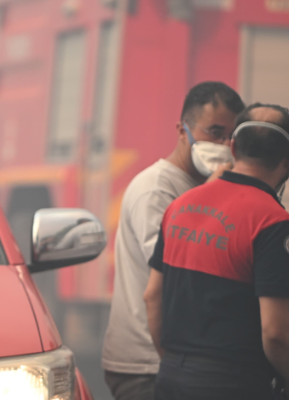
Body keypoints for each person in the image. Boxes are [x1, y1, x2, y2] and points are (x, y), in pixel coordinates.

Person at [144, 103, 289, 400]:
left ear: (233, 147)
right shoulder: (274, 222)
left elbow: (152, 296)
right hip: (233, 384)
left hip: (171, 377)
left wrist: (174, 363)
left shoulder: (180, 206)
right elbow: (276, 332)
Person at [102, 82, 245, 400]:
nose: (223, 144)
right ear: (183, 130)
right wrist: (211, 195)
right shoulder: (155, 188)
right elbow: (177, 271)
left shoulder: (207, 186)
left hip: (183, 363)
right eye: (214, 132)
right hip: (147, 365)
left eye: (231, 137)